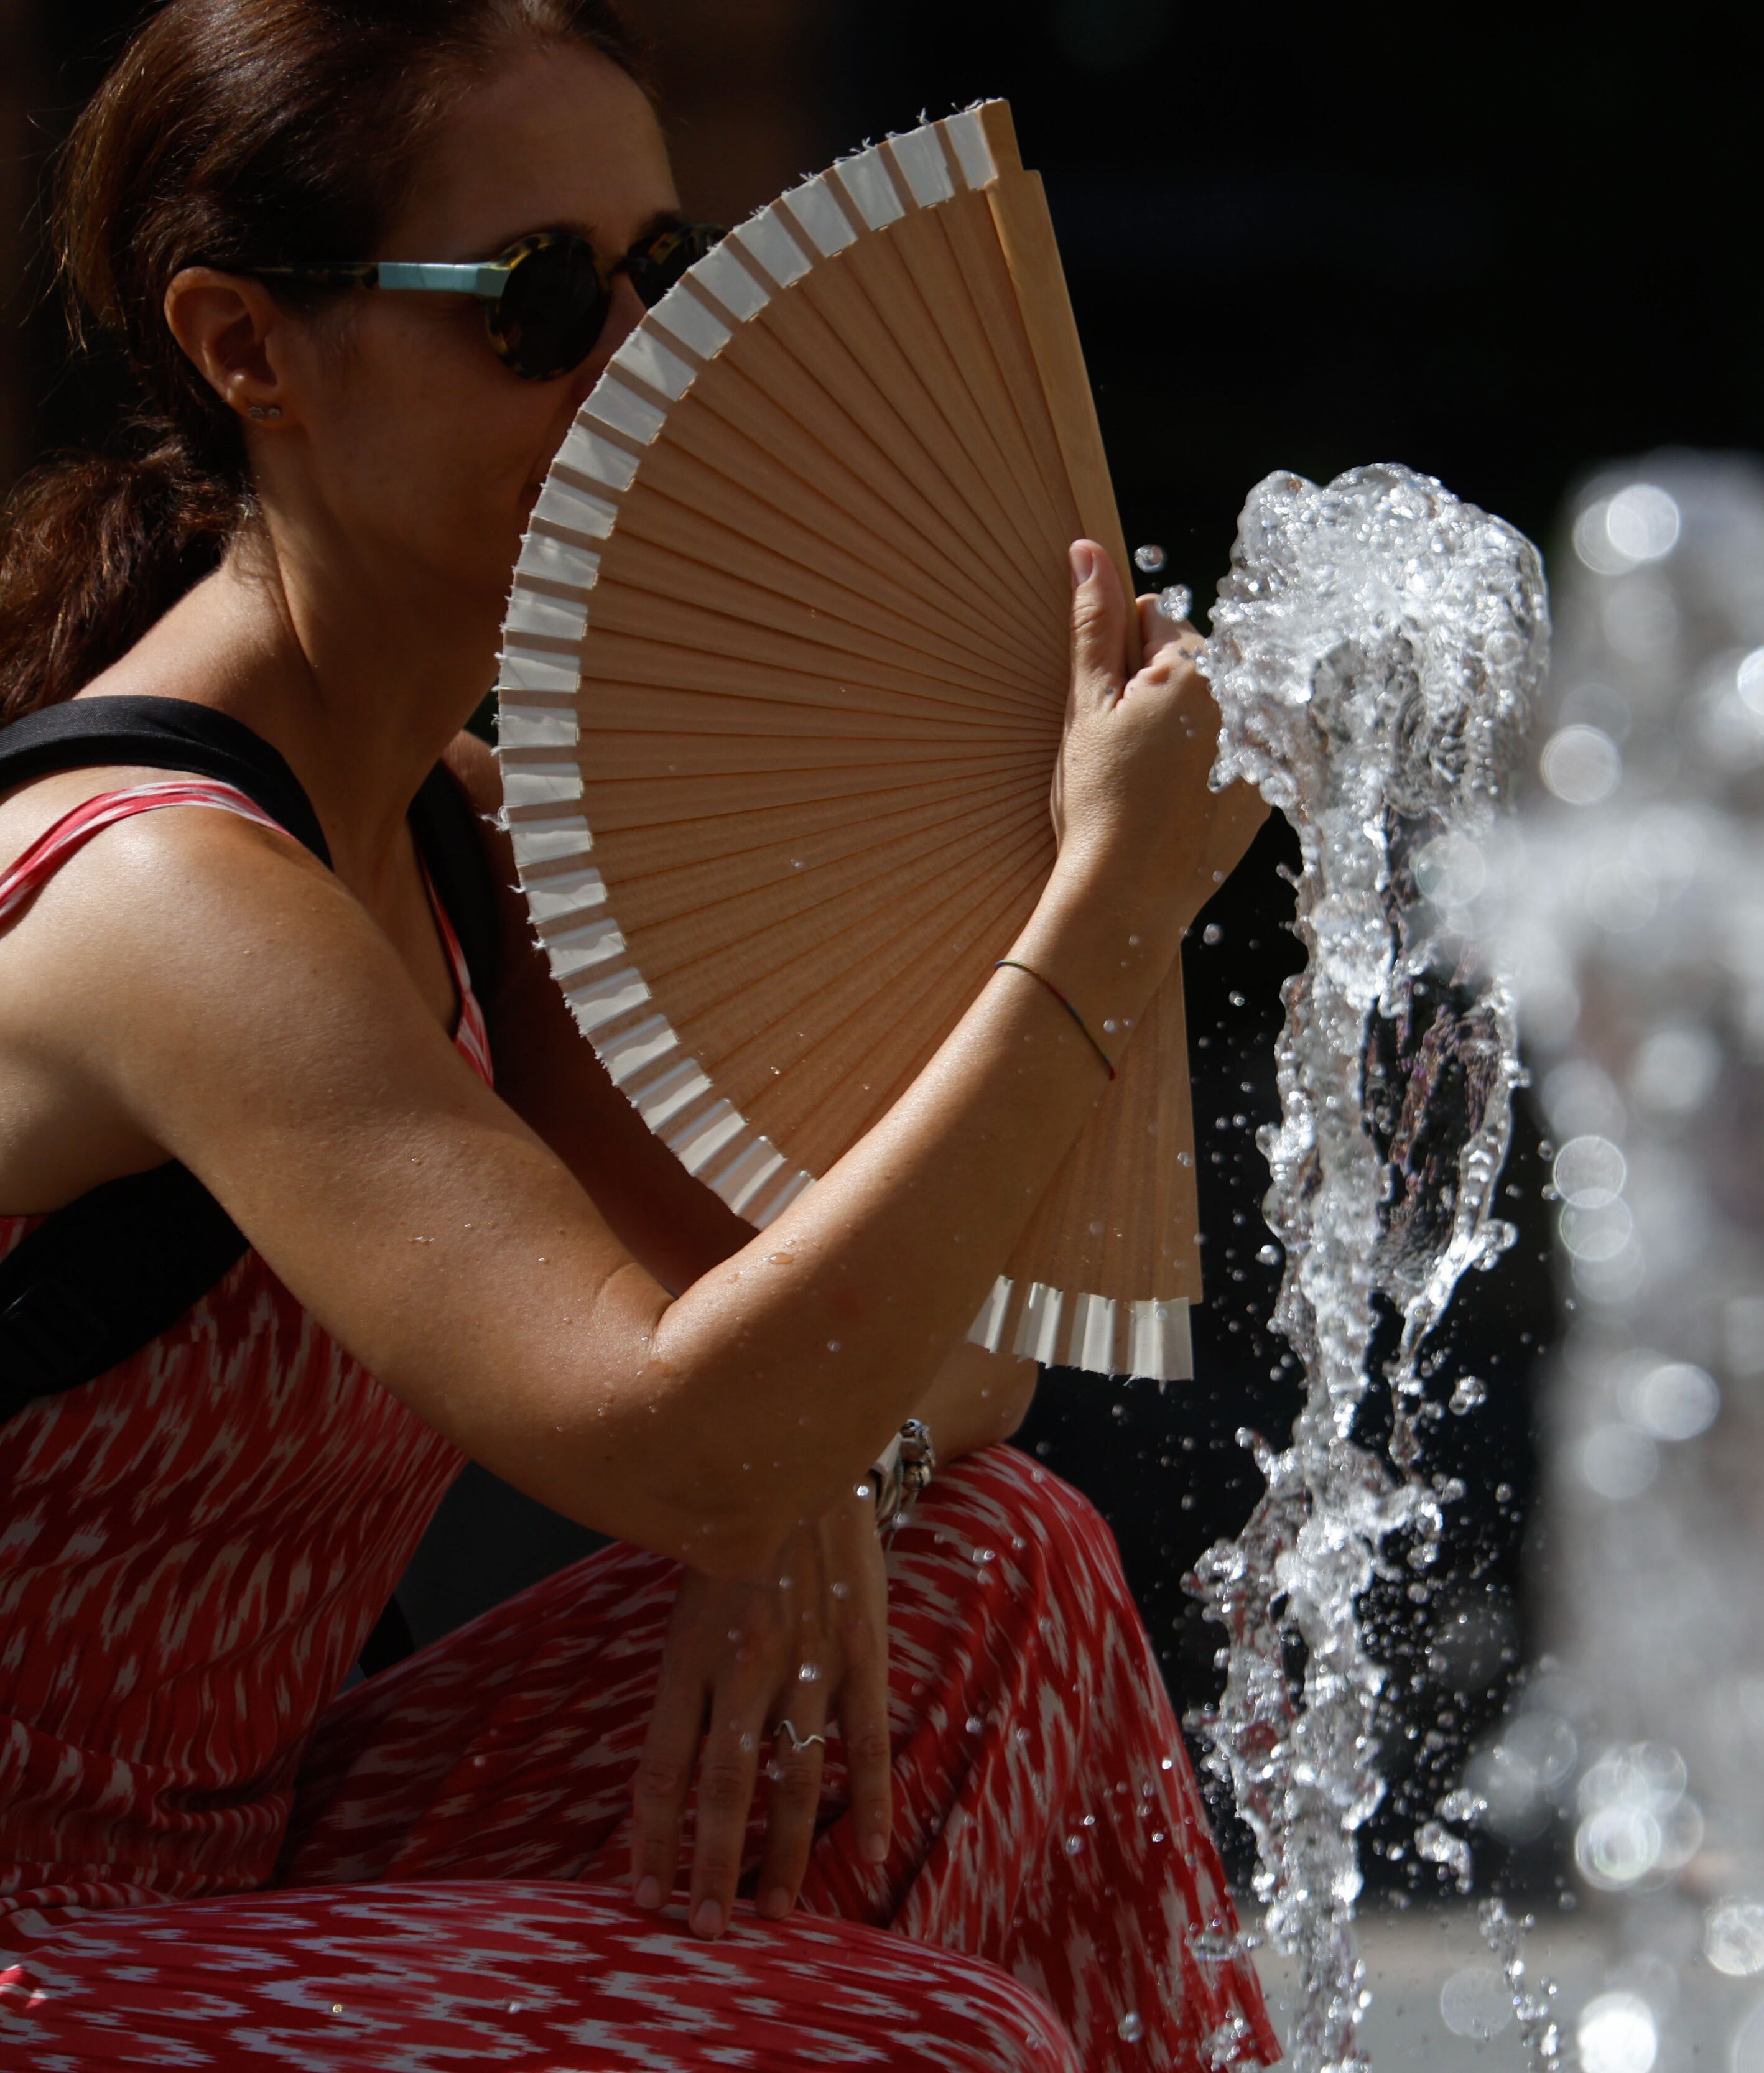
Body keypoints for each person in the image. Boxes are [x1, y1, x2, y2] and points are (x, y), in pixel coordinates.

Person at [0, 3, 1276, 2066]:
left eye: (668, 283)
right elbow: (685, 1425)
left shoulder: (450, 832)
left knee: (1000, 1573)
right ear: (249, 348)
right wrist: (1107, 912)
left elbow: (942, 1357)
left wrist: (821, 1475)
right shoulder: (160, 895)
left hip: (226, 1904)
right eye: (537, 301)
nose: (639, 374)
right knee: (905, 2042)